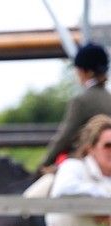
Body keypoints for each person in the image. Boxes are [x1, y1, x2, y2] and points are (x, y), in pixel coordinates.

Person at [38, 42, 111, 172]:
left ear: (84, 71)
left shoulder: (82, 101)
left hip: (86, 165)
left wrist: (45, 163)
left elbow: (64, 137)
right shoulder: (108, 98)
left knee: (34, 192)